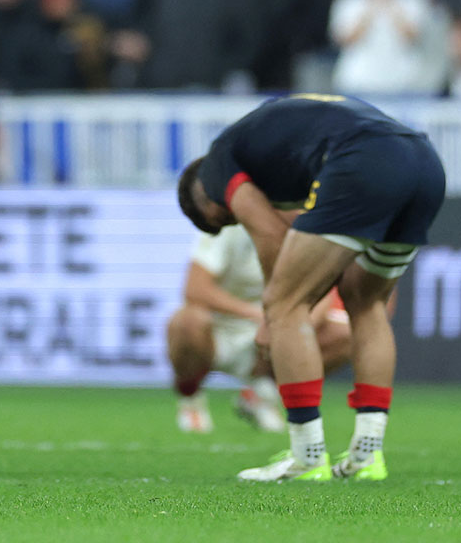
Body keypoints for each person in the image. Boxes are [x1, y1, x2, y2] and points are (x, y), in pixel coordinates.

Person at [177, 94, 445, 482]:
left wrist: (274, 313)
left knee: (285, 304)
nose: (235, 222)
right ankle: (367, 454)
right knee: (365, 302)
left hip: (364, 158)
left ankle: (307, 456)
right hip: (424, 163)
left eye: (226, 220)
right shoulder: (274, 152)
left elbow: (269, 235)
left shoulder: (218, 167)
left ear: (205, 202)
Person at [167, 224, 352, 435]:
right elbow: (195, 289)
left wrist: (292, 326)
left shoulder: (308, 230)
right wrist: (255, 315)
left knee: (344, 334)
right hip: (220, 330)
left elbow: (322, 293)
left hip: (276, 328)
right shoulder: (228, 226)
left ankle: (263, 395)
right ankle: (191, 398)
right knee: (187, 320)